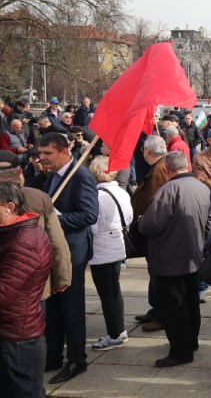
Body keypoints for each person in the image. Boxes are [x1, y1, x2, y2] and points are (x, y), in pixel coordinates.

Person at [138, 152, 211, 367]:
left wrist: (141, 222)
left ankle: (181, 351)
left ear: (167, 170)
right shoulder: (202, 188)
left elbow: (151, 225)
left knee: (175, 307)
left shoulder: (168, 190)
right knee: (190, 302)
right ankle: (190, 341)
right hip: (194, 256)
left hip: (170, 259)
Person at [39, 132, 99, 384]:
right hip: (54, 250)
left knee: (72, 308)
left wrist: (56, 220)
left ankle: (76, 359)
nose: (42, 159)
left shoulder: (81, 176)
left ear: (65, 151)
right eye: (40, 154)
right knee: (52, 308)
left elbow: (89, 215)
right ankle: (53, 355)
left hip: (73, 252)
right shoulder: (53, 175)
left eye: (47, 154)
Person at [0, 182, 52, 398]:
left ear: (9, 207)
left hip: (16, 337)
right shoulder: (14, 233)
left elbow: (3, 294)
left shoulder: (23, 241)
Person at [88, 156, 133, 351]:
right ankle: (119, 330)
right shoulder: (121, 192)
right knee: (114, 291)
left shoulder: (98, 196)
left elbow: (92, 226)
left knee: (107, 294)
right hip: (116, 246)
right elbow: (129, 216)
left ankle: (114, 334)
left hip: (102, 249)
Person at [131, 135, 168, 332]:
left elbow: (158, 204)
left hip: (156, 233)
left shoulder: (160, 170)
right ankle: (156, 311)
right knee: (154, 273)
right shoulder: (158, 168)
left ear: (147, 151)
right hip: (151, 231)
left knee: (157, 275)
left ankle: (161, 314)